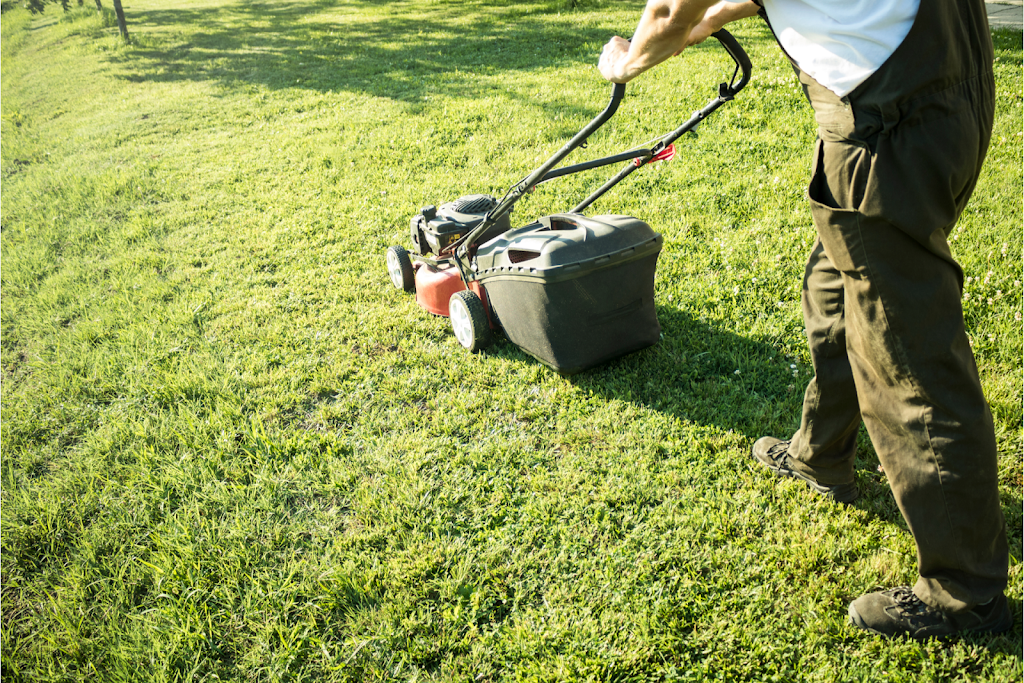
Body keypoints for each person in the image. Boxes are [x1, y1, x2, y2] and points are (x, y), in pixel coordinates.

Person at [599, 0, 1011, 639]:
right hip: (942, 80)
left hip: (890, 126)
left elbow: (669, 9)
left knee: (904, 355)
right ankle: (822, 453)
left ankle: (966, 591)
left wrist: (628, 62)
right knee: (833, 291)